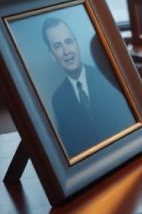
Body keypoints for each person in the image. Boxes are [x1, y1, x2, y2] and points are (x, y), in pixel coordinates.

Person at [42, 16, 135, 157]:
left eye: (69, 41)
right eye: (58, 46)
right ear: (52, 55)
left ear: (76, 44)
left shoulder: (107, 78)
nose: (67, 51)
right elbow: (72, 149)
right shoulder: (58, 100)